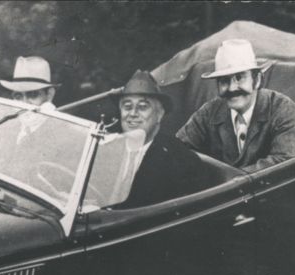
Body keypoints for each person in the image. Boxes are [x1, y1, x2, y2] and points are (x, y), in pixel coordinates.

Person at [86, 70, 216, 209]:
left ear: (159, 114)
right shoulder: (105, 149)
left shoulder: (180, 159)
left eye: (142, 107)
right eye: (127, 106)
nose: (133, 114)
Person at [176, 39, 295, 172]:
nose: (232, 88)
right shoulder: (209, 112)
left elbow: (288, 160)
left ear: (257, 80)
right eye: (224, 80)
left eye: (239, 77)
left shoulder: (281, 108)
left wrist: (231, 179)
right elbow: (178, 148)